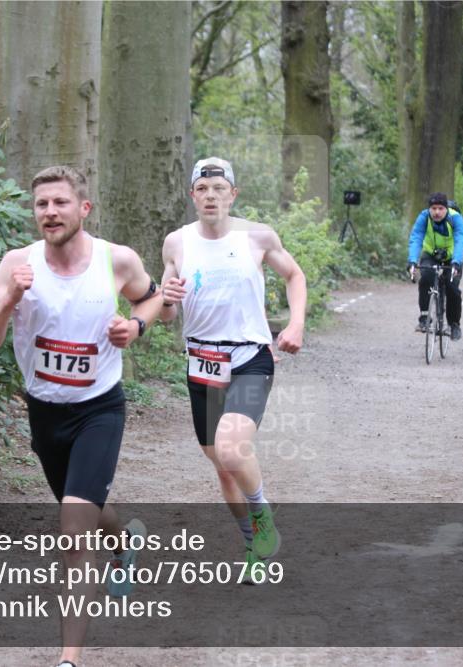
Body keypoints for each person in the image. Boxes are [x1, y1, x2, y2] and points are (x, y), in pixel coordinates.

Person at [0, 165, 162, 667]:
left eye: (59, 203)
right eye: (41, 205)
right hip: (45, 414)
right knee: (90, 512)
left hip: (99, 409)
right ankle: (125, 542)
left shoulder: (116, 260)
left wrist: (136, 326)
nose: (50, 213)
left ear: (83, 208)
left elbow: (153, 296)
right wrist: (9, 298)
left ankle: (68, 659)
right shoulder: (17, 264)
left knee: (73, 531)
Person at [159, 157, 307, 575]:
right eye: (203, 189)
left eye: (219, 188)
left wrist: (295, 323)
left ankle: (262, 514)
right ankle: (252, 547)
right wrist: (166, 299)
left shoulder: (257, 237)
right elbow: (168, 313)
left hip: (249, 357)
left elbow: (294, 275)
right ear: (192, 195)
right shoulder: (176, 243)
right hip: (201, 363)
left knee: (230, 447)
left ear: (233, 194)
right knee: (223, 467)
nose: (211, 196)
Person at [406, 192, 463, 341]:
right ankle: (424, 316)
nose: (437, 212)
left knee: (452, 288)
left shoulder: (455, 219)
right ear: (429, 209)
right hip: (431, 255)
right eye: (433, 208)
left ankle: (454, 324)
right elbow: (416, 238)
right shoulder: (424, 217)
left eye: (440, 208)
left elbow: (460, 240)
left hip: (453, 258)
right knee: (426, 276)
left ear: (446, 208)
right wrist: (412, 261)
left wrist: (456, 262)